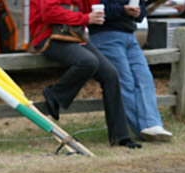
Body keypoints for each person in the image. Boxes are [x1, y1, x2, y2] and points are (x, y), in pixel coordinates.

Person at [29, 0, 140, 148]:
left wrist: (94, 13)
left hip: (73, 34)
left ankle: (121, 137)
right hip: (48, 36)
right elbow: (48, 13)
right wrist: (85, 18)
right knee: (88, 61)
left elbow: (89, 9)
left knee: (111, 74)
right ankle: (54, 94)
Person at [90, 0, 173, 141]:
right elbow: (95, 9)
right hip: (105, 35)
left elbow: (141, 11)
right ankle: (142, 130)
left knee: (145, 79)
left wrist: (138, 11)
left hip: (130, 36)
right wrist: (123, 10)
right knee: (125, 82)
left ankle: (152, 125)